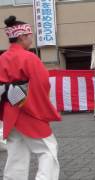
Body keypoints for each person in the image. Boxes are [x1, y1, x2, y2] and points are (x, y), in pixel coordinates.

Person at [0, 16, 61, 180]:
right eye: (30, 35)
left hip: (10, 113)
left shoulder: (2, 58)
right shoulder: (29, 57)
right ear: (21, 36)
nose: (31, 38)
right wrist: (41, 110)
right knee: (48, 150)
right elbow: (41, 85)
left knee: (16, 156)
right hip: (28, 111)